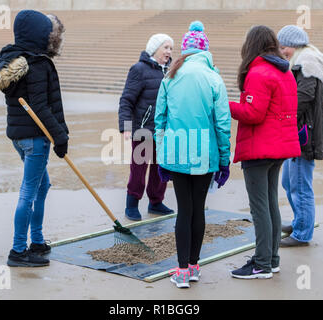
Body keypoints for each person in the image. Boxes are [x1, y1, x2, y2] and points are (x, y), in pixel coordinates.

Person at [0, 10, 69, 267]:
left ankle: (37, 241)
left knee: (42, 187)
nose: (49, 38)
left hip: (19, 138)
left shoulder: (10, 59)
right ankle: (18, 251)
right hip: (35, 138)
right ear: (38, 34)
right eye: (46, 33)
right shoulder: (37, 64)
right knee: (29, 192)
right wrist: (60, 137)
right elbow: (42, 107)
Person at [155, 21, 231, 288]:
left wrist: (162, 155)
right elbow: (222, 124)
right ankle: (195, 267)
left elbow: (160, 120)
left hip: (176, 152)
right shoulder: (213, 78)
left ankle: (182, 271)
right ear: (205, 51)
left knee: (183, 211)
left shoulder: (170, 75)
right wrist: (224, 160)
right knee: (198, 210)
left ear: (185, 50)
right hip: (205, 155)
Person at [229, 25, 301, 279]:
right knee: (270, 204)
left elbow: (253, 114)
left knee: (260, 208)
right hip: (278, 148)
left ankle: (261, 264)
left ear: (252, 44)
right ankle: (271, 259)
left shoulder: (258, 72)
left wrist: (226, 106)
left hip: (260, 149)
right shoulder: (284, 71)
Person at [277, 25, 323, 247]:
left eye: (284, 47)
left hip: (305, 135)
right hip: (297, 134)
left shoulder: (308, 62)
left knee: (301, 185)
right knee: (288, 181)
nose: (282, 52)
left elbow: (303, 96)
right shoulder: (302, 61)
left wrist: (282, 116)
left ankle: (302, 233)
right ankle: (299, 221)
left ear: (294, 46)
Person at [118, 34, 175, 221]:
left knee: (161, 168)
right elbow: (126, 99)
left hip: (163, 130)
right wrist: (126, 127)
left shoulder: (171, 70)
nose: (169, 52)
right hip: (142, 129)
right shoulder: (139, 69)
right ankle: (132, 204)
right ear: (155, 48)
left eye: (171, 48)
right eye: (165, 47)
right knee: (139, 169)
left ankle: (156, 202)